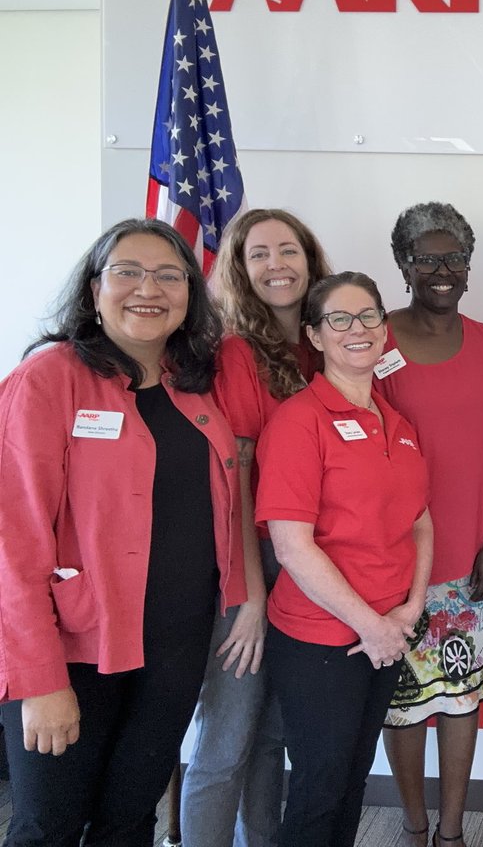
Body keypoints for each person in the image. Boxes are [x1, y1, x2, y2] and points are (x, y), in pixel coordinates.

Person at [0, 218, 246, 846]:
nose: (149, 288)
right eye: (128, 272)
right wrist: (40, 680)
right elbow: (12, 542)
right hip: (75, 651)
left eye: (170, 276)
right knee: (47, 827)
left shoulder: (193, 385)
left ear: (191, 295)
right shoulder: (47, 380)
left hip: (173, 648)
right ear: (93, 290)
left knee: (129, 819)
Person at [256, 272, 434, 847]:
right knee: (318, 787)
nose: (357, 330)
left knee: (353, 779)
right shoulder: (298, 421)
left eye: (368, 317)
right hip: (321, 639)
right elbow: (291, 546)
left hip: (386, 631)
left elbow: (421, 523)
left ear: (385, 329)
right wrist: (373, 626)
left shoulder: (398, 423)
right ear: (314, 334)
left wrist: (411, 608)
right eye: (339, 319)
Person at [181, 208, 333, 847]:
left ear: (310, 259)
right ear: (239, 271)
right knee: (227, 740)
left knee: (270, 735)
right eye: (260, 254)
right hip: (252, 562)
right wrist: (247, 596)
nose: (278, 265)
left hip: (305, 561)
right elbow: (237, 481)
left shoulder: (320, 343)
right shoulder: (239, 352)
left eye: (289, 250)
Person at [375, 203, 483, 847]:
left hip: (470, 556)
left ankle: (454, 831)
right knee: (402, 701)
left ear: (468, 267)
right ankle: (411, 827)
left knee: (461, 694)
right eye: (426, 258)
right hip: (391, 561)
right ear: (403, 265)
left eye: (453, 258)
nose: (441, 270)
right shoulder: (371, 340)